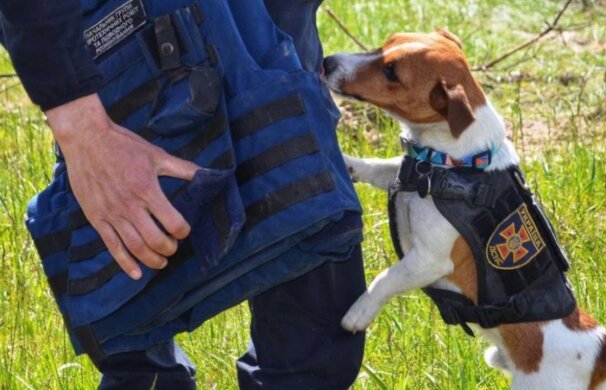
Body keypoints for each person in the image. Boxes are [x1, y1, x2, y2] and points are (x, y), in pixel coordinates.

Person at [0, 0, 366, 388]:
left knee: (309, 235)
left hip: (270, 29)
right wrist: (79, 122)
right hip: (124, 40)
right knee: (136, 327)